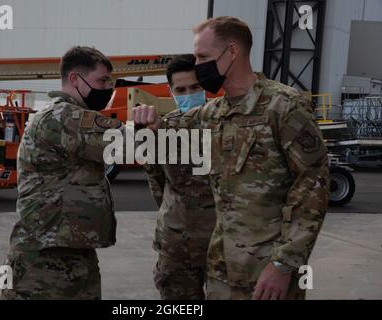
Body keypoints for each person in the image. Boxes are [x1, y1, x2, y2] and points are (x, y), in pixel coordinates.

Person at [133, 16, 329, 300]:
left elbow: (312, 187)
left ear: (233, 52)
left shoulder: (283, 106)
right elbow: (170, 128)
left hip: (266, 273)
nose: (198, 65)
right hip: (220, 270)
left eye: (203, 56)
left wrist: (284, 264)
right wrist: (151, 123)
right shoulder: (214, 113)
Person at [0, 46, 123, 300]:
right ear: (75, 79)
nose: (107, 89)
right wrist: (150, 122)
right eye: (101, 81)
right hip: (42, 260)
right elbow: (126, 142)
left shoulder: (73, 116)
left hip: (72, 251)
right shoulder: (61, 115)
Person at [144, 54, 216, 299]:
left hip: (222, 242)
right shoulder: (162, 129)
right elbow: (157, 184)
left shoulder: (225, 124)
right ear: (171, 91)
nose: (189, 94)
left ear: (205, 85)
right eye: (181, 89)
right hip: (177, 244)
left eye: (195, 87)